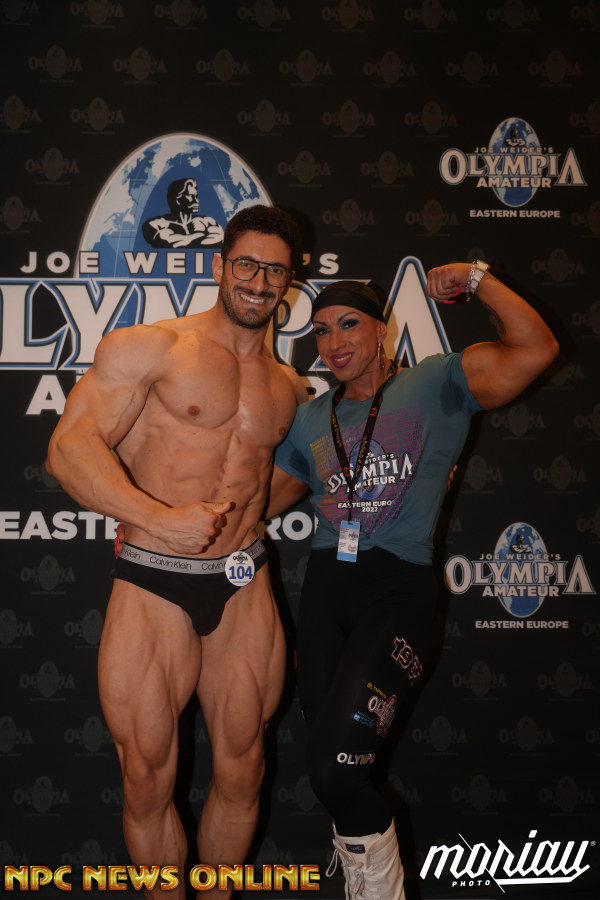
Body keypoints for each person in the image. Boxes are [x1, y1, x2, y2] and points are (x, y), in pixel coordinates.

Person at [265, 267, 559, 899]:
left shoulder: (436, 382)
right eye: (321, 331)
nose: (334, 342)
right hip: (324, 596)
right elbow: (256, 504)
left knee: (337, 769)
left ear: (381, 329)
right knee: (326, 770)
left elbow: (536, 348)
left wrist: (478, 278)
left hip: (395, 592)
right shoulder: (311, 418)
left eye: (349, 324)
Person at [46, 204, 306, 899]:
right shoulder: (151, 348)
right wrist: (158, 519)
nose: (258, 281)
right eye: (246, 263)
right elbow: (69, 449)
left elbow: (285, 480)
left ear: (290, 281)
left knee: (244, 769)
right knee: (146, 776)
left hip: (243, 581)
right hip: (154, 577)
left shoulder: (289, 387)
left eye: (275, 270)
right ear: (219, 266)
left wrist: (245, 521)